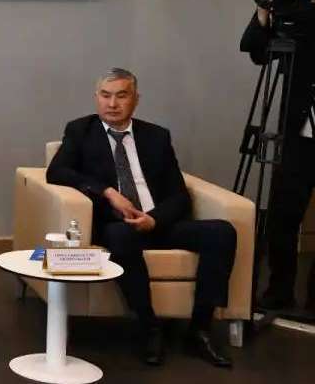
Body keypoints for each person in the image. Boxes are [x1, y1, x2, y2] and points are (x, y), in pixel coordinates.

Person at [47, 68, 235, 368]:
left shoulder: (156, 136)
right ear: (96, 98)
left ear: (136, 100)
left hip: (158, 222)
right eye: (105, 96)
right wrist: (108, 192)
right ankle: (149, 326)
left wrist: (155, 220)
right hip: (115, 225)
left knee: (222, 232)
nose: (112, 104)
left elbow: (179, 194)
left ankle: (199, 329)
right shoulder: (80, 131)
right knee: (121, 236)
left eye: (121, 96)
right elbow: (56, 172)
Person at [241, 0, 315, 313]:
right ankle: (279, 291)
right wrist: (263, 11)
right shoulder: (300, 15)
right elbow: (253, 48)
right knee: (282, 216)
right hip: (299, 134)